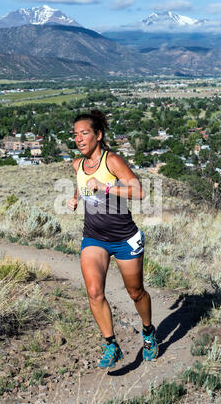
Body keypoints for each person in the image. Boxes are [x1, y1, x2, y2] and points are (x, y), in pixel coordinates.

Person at [67, 110, 158, 369]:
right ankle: (111, 344)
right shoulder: (77, 164)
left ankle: (149, 332)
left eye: (84, 133)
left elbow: (139, 192)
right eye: (75, 135)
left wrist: (105, 187)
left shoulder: (112, 160)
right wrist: (76, 197)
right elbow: (82, 180)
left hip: (124, 237)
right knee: (95, 293)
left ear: (98, 135)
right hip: (94, 238)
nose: (79, 139)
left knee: (136, 292)